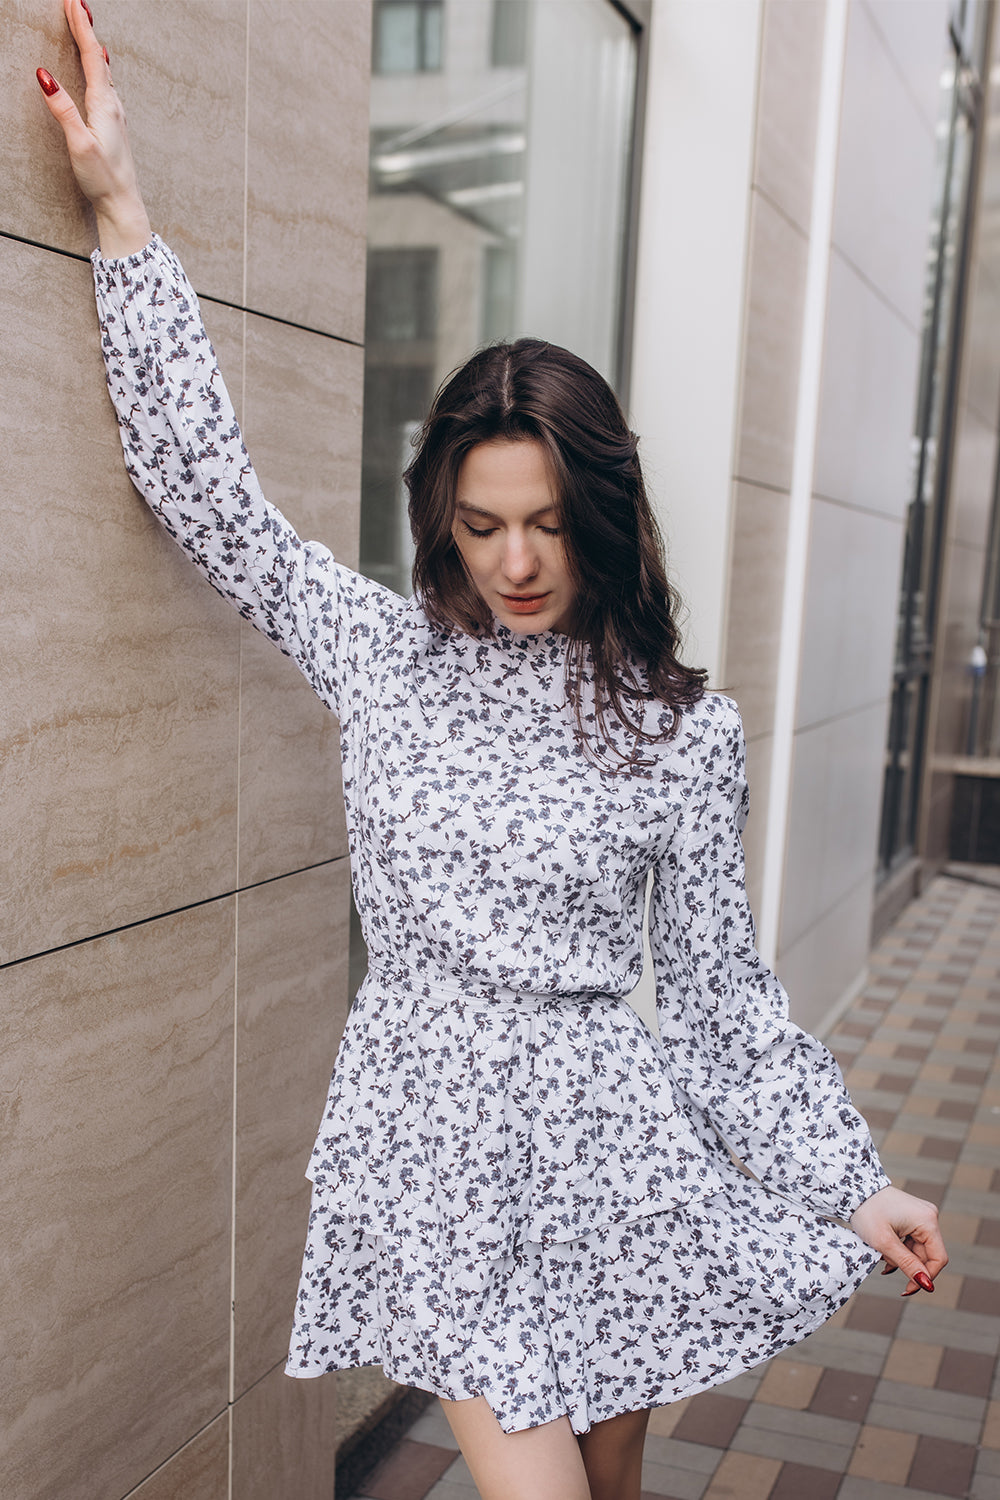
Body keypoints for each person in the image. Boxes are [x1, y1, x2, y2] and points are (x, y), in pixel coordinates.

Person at [37, 5, 947, 1497]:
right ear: (440, 517)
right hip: (437, 1145)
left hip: (613, 1162)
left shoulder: (675, 728)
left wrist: (851, 1185)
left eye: (548, 523)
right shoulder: (387, 657)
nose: (517, 562)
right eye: (480, 524)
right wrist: (124, 213)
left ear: (600, 515)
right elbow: (212, 499)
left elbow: (721, 1006)